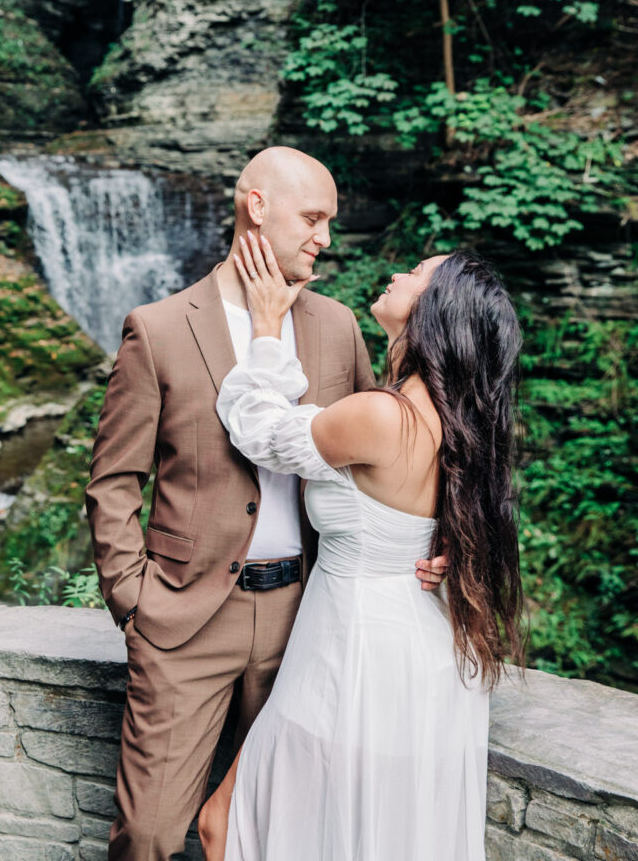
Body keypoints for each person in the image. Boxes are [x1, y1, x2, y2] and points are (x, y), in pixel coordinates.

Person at [85, 146, 448, 861]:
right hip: (184, 620)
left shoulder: (338, 327)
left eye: (330, 222)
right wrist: (135, 602)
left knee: (290, 831)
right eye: (313, 217)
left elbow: (397, 452)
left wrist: (443, 542)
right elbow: (112, 484)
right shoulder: (158, 328)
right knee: (151, 833)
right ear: (258, 206)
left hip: (308, 620)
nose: (326, 237)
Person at [198, 233, 525, 861]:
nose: (399, 271)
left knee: (229, 823)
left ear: (437, 311)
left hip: (353, 654)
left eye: (419, 272)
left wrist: (267, 328)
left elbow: (260, 429)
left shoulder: (384, 415)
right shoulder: (457, 421)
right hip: (421, 655)